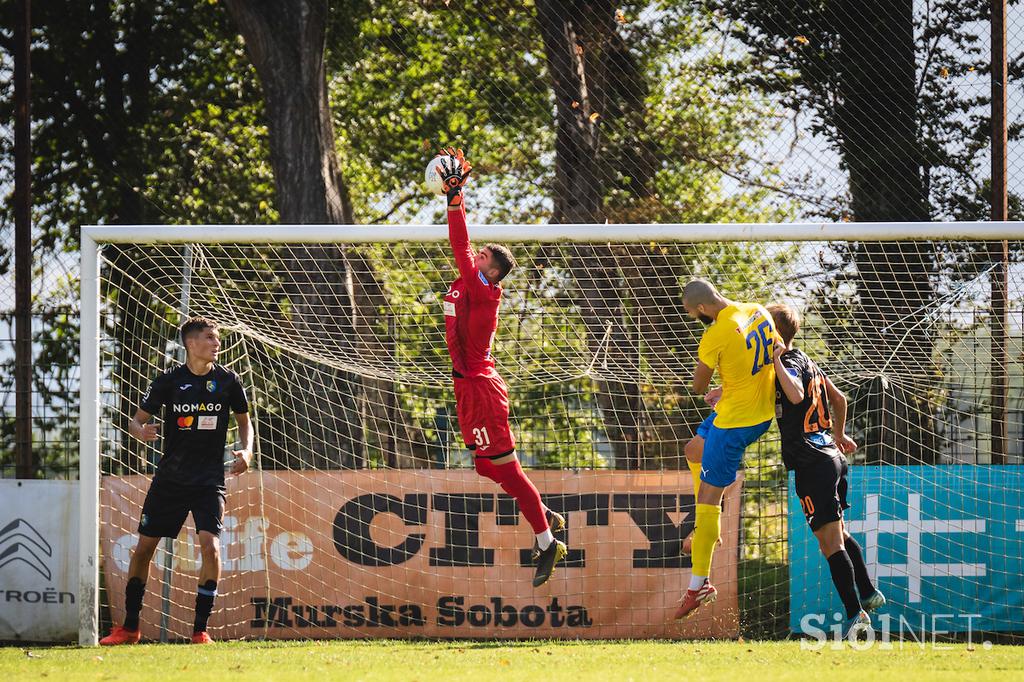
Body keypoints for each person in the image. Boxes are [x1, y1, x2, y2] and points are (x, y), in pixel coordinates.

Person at [435, 147, 566, 587]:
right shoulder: (472, 283)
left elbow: (459, 241)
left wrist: (455, 200)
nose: (475, 256)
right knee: (485, 467)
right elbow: (464, 250)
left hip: (481, 388)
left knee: (505, 468)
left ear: (490, 269)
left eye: (482, 255)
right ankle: (541, 510)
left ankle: (547, 540)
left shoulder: (482, 286)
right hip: (466, 386)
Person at [100, 317, 252, 645]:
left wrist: (247, 450)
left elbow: (244, 421)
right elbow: (135, 422)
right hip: (170, 479)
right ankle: (129, 628)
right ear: (191, 343)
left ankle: (200, 631)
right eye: (210, 338)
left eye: (217, 339)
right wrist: (141, 432)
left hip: (209, 480)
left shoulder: (228, 381)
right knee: (143, 550)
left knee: (211, 547)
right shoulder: (169, 381)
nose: (216, 343)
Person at [767, 303, 885, 639]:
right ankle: (867, 591)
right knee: (838, 535)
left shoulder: (786, 363)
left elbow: (796, 393)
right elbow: (840, 399)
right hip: (831, 456)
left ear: (773, 334)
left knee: (830, 543)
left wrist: (775, 359)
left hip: (812, 462)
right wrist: (839, 434)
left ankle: (856, 615)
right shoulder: (808, 361)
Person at [673, 279, 776, 620]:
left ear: (701, 308)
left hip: (736, 423)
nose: (693, 317)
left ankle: (698, 585)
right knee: (693, 450)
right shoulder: (758, 311)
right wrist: (727, 385)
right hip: (745, 407)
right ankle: (705, 529)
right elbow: (768, 360)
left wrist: (708, 378)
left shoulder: (714, 334)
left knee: (708, 503)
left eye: (691, 313)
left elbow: (697, 385)